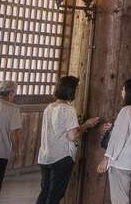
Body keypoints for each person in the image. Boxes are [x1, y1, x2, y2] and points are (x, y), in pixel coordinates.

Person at [36, 76, 100, 204]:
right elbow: (73, 135)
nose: (77, 91)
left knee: (44, 193)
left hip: (45, 156)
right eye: (76, 88)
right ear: (71, 90)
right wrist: (87, 125)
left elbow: (58, 129)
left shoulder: (49, 107)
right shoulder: (68, 109)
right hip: (61, 158)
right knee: (55, 196)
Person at [96, 78, 131, 204]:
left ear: (130, 92)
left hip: (122, 163)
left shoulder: (127, 110)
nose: (122, 91)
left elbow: (118, 139)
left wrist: (106, 159)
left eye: (124, 89)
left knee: (120, 200)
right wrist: (114, 128)